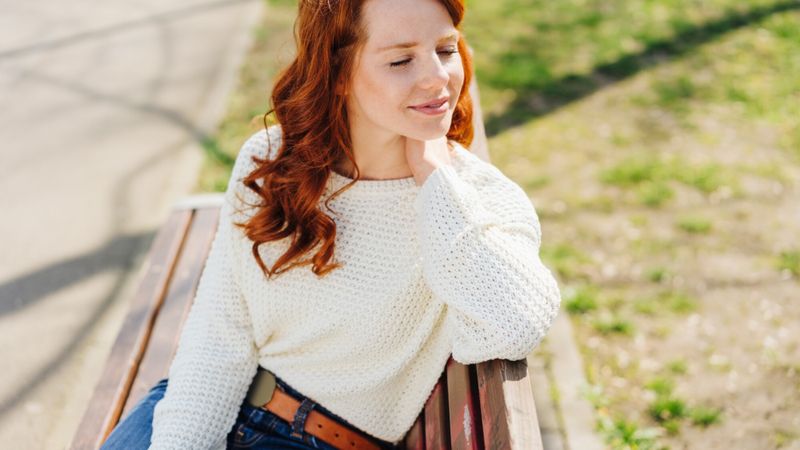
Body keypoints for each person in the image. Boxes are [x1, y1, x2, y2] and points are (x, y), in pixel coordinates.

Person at [100, 0, 562, 448]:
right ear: (338, 73)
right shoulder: (271, 160)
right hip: (203, 399)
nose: (438, 78)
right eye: (401, 60)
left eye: (445, 50)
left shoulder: (475, 199)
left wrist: (436, 177)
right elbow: (220, 332)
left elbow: (516, 322)